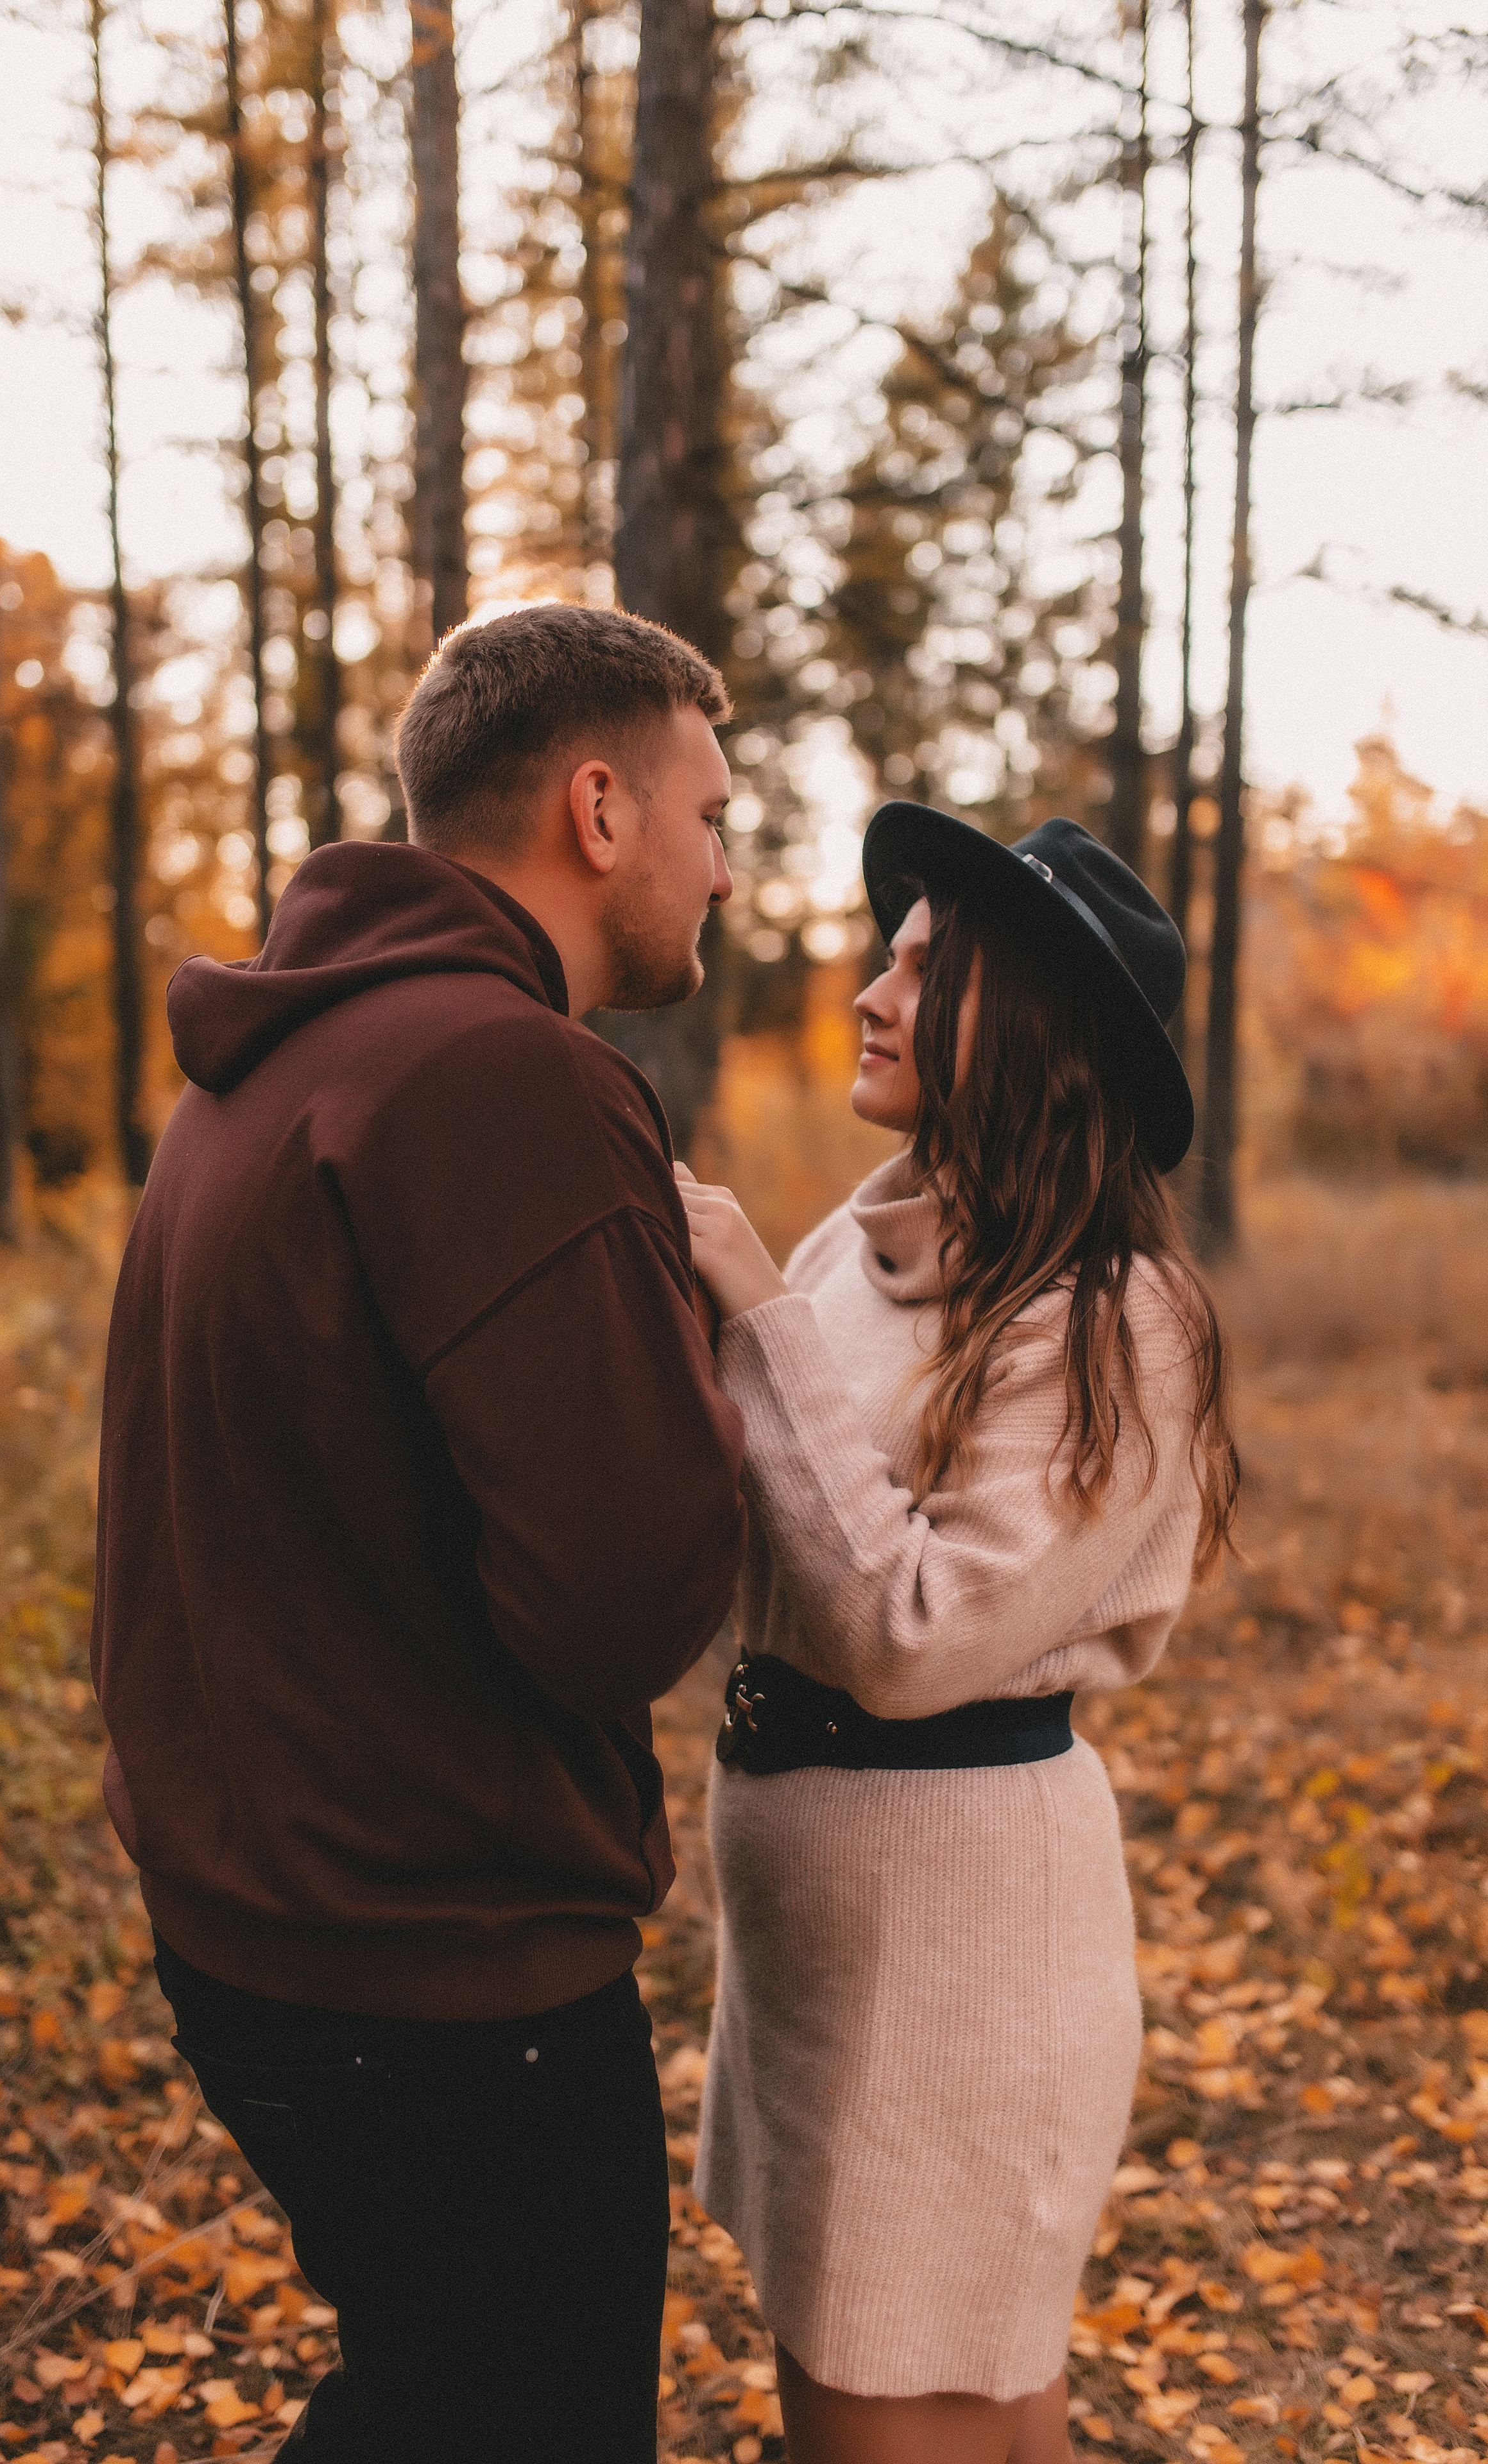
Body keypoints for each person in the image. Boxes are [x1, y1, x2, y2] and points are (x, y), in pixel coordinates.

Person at [89, 604, 748, 2464]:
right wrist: (705, 1358)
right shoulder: (506, 1081)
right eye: (711, 816)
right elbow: (626, 1597)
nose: (726, 870)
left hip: (263, 1934)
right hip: (448, 1976)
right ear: (599, 810)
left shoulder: (266, 1070)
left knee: (430, 2399)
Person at [677, 805, 1240, 2464]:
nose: (872, 990)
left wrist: (755, 1316)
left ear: (1034, 1028)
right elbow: (777, 1526)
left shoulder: (1116, 1319)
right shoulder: (856, 1250)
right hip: (816, 1950)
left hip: (959, 1970)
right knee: (951, 2409)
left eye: (926, 971)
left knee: (903, 2402)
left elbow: (913, 1635)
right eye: (891, 954)